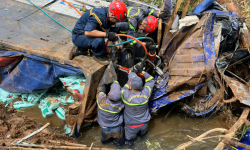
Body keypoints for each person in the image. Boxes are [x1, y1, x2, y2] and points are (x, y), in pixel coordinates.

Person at [121, 63, 155, 147]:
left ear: (130, 86)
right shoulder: (146, 93)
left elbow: (124, 87)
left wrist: (131, 74)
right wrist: (142, 72)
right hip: (144, 124)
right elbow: (151, 80)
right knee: (143, 138)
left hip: (131, 127)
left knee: (129, 143)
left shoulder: (125, 95)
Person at [96, 81, 125, 147]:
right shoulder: (121, 105)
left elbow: (100, 90)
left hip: (105, 128)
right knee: (120, 144)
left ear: (108, 93)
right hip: (117, 128)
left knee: (105, 142)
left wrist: (106, 81)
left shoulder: (101, 101)